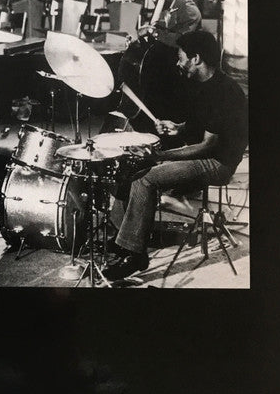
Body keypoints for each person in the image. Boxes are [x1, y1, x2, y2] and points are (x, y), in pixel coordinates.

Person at [104, 31, 248, 281]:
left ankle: (135, 255)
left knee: (145, 179)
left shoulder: (223, 92)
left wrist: (160, 156)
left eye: (181, 58)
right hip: (206, 153)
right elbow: (201, 125)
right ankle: (125, 238)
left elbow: (207, 146)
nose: (178, 63)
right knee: (133, 167)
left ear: (196, 58)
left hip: (218, 163)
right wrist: (177, 128)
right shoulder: (205, 84)